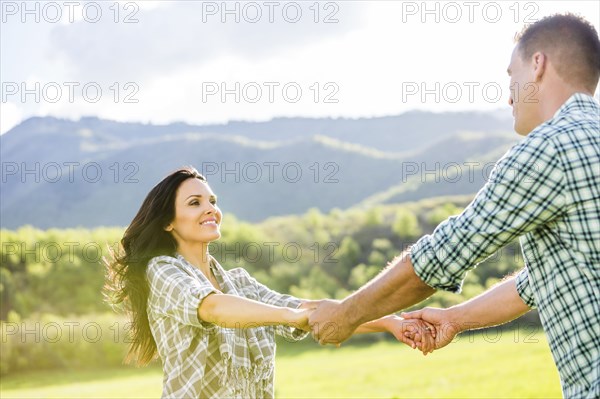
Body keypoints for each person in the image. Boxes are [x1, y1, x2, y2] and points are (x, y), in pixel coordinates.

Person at [308, 13, 599, 398]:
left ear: (538, 64)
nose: (509, 95)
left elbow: (440, 257)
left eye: (511, 76)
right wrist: (455, 319)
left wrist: (345, 316)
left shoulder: (550, 149)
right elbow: (537, 282)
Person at [105, 167, 433, 399]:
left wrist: (389, 322)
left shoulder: (240, 284)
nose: (211, 210)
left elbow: (308, 311)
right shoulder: (162, 271)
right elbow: (211, 307)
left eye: (213, 201)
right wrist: (293, 316)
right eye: (195, 203)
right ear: (166, 223)